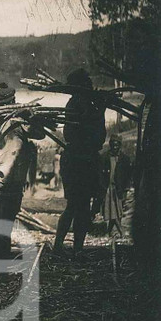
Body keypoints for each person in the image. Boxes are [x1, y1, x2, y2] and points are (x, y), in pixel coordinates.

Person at [53, 68, 107, 257]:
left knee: (81, 207)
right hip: (78, 161)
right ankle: (63, 246)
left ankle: (75, 247)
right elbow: (88, 130)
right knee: (76, 206)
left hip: (86, 159)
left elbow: (98, 134)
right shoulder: (76, 104)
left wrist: (99, 110)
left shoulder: (85, 103)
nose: (91, 86)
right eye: (87, 83)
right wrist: (100, 110)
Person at [0, 110, 47, 259]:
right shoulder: (16, 123)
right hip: (9, 180)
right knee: (6, 222)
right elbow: (40, 134)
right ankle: (2, 261)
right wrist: (32, 117)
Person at [99, 133, 132, 239]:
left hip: (118, 189)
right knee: (114, 211)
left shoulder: (125, 159)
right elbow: (100, 174)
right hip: (108, 188)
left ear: (120, 145)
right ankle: (121, 231)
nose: (115, 147)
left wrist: (126, 190)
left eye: (117, 144)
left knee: (117, 211)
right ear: (110, 145)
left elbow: (128, 177)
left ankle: (109, 231)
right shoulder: (104, 157)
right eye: (113, 144)